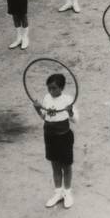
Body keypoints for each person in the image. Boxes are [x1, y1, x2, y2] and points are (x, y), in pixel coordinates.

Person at [33, 73, 78, 209]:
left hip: (64, 137)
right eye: (49, 88)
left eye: (54, 88)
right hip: (50, 136)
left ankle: (68, 193)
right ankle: (58, 192)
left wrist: (70, 112)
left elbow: (76, 120)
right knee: (55, 165)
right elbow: (45, 117)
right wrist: (37, 110)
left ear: (61, 88)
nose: (51, 91)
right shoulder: (47, 98)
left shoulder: (67, 99)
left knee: (66, 166)